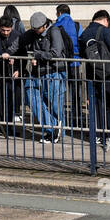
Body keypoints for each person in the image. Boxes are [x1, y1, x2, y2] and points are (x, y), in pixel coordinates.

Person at [79, 9, 110, 147]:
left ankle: (96, 135)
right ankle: (109, 135)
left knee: (95, 104)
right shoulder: (104, 30)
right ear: (105, 20)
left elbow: (82, 53)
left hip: (92, 73)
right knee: (109, 104)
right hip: (106, 73)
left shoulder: (85, 33)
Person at [23, 11, 67, 143]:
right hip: (39, 72)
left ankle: (55, 133)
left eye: (38, 29)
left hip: (54, 71)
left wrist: (37, 55)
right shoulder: (33, 34)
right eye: (34, 29)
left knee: (55, 105)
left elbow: (56, 53)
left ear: (44, 25)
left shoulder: (54, 31)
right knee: (30, 92)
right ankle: (52, 126)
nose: (36, 31)